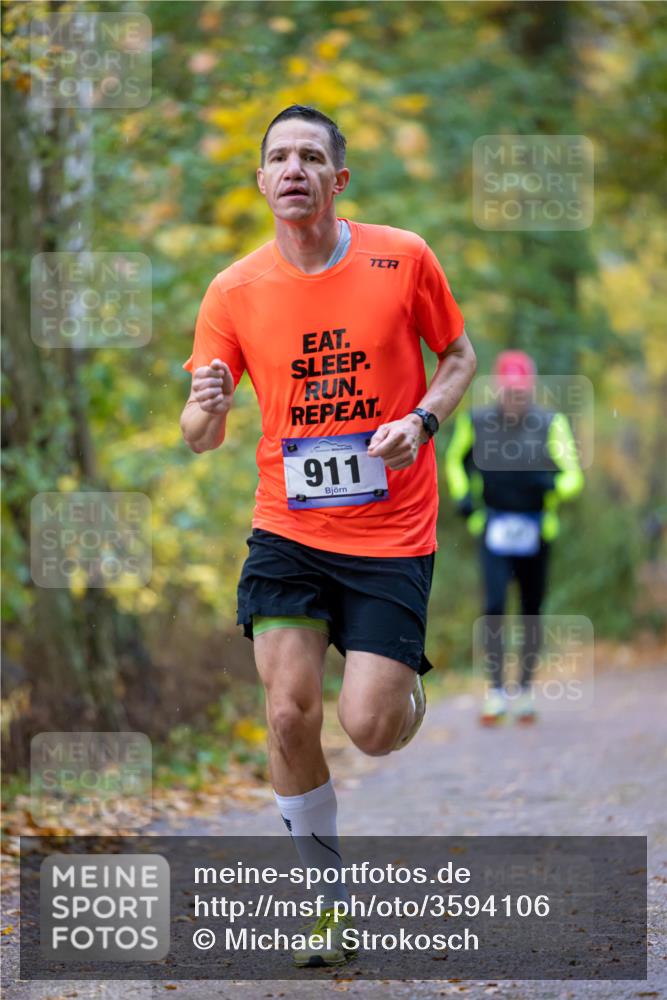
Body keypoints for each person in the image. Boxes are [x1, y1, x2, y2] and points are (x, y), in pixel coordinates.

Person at [180, 104, 476, 966]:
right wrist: (203, 411)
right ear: (263, 181)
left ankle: (407, 691)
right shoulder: (233, 290)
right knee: (286, 711)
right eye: (278, 157)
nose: (294, 168)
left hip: (390, 529)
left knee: (371, 727)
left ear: (338, 180)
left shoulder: (403, 257)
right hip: (288, 529)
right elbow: (203, 435)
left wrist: (419, 423)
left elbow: (456, 357)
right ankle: (328, 904)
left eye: (311, 155)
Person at [444, 350, 584, 725]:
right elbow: (455, 461)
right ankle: (495, 692)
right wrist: (463, 498)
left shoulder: (551, 422)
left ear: (531, 389)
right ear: (498, 389)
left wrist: (552, 486)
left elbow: (573, 474)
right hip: (492, 527)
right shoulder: (476, 421)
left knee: (531, 609)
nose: (515, 398)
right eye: (510, 391)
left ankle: (524, 690)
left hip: (537, 528)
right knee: (493, 605)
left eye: (521, 392)